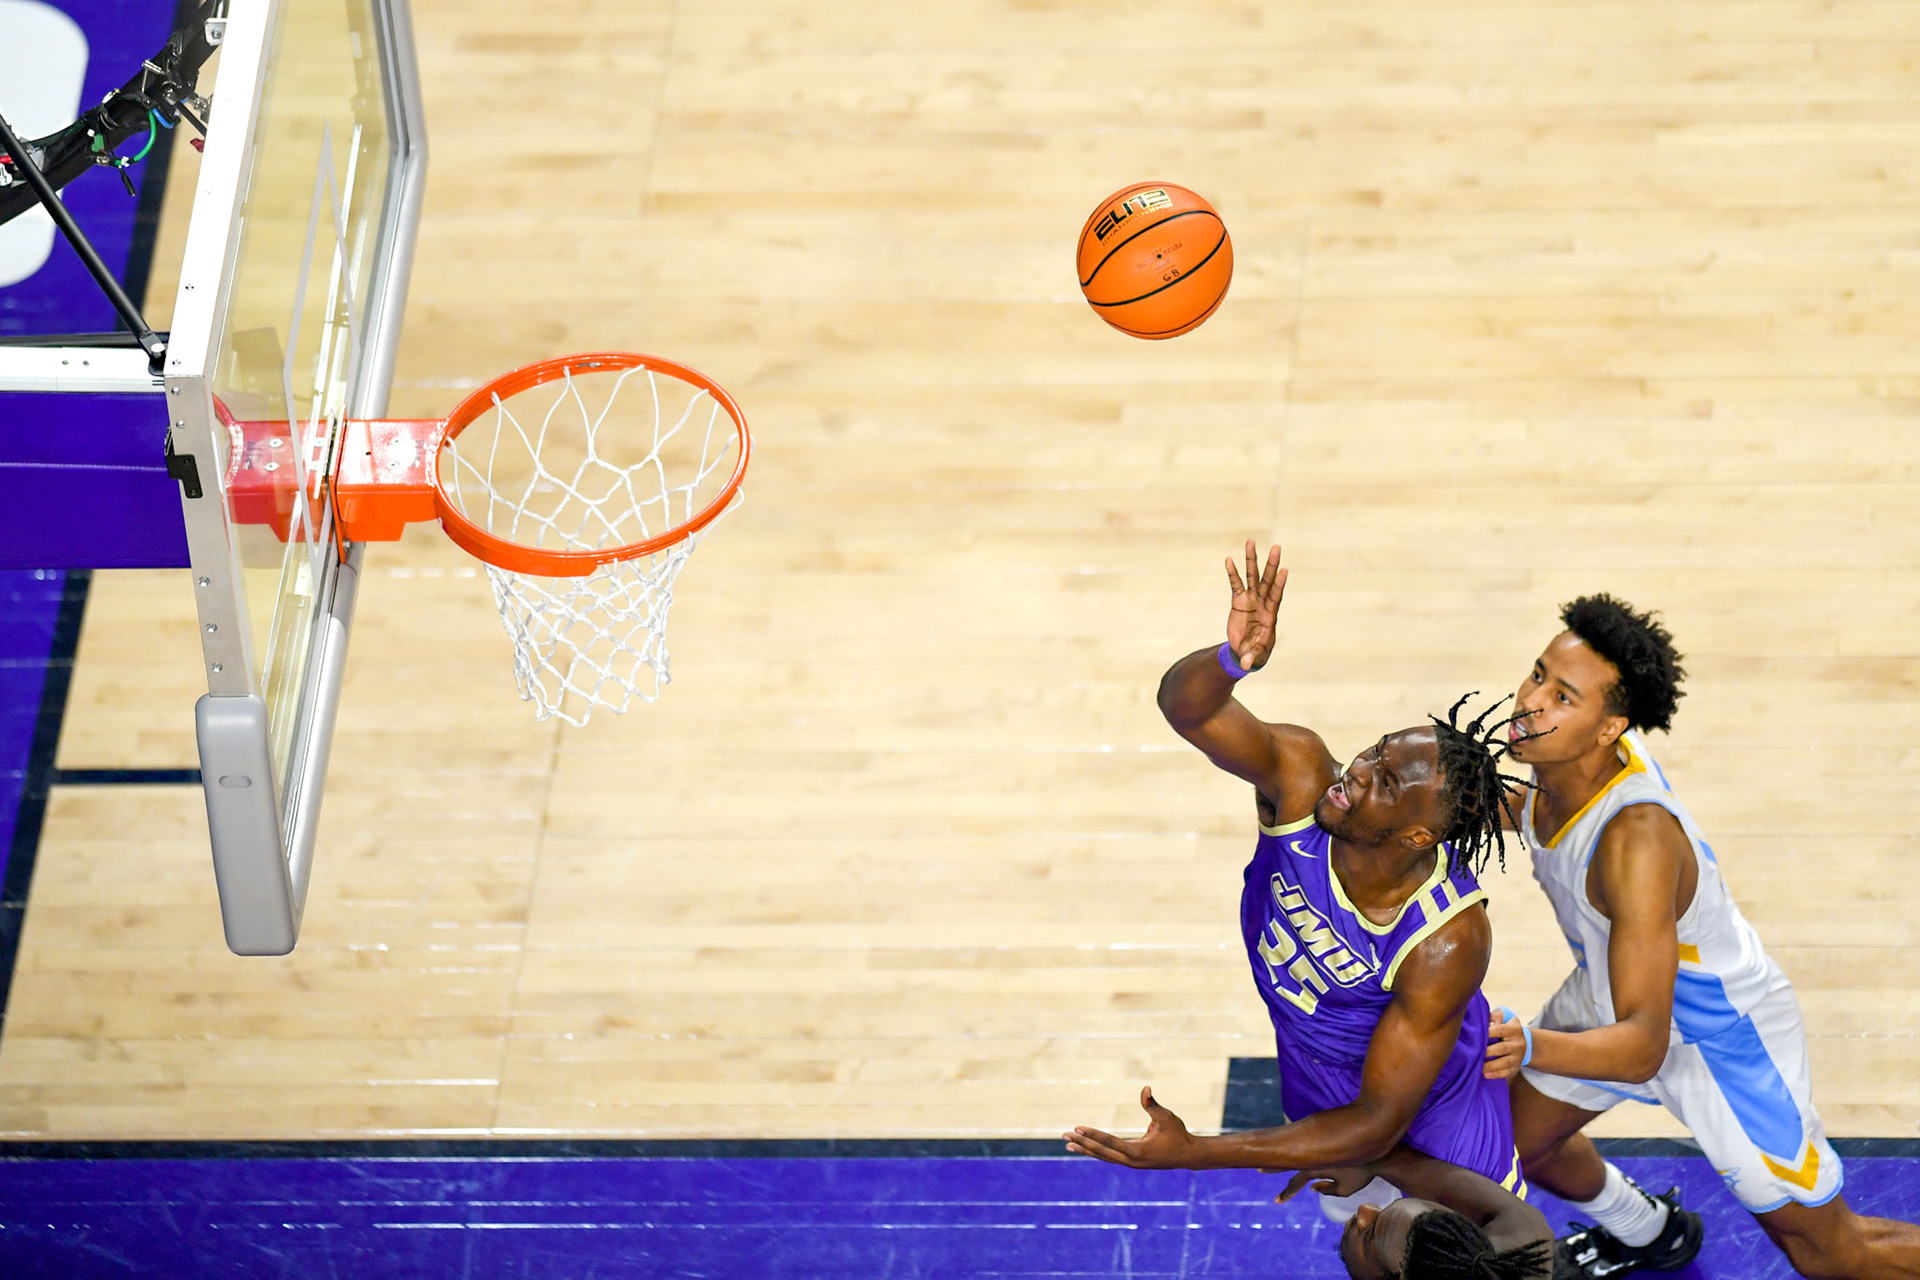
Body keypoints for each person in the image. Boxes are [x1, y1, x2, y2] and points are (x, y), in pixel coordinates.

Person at [1064, 541, 1531, 1195]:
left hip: (1437, 1144)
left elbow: (1377, 1123)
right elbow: (1186, 708)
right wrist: (1231, 662)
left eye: (1388, 782)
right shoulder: (1303, 779)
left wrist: (1195, 1151)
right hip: (1318, 1086)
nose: (1359, 771)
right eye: (1376, 750)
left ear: (1419, 834)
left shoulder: (1445, 939)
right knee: (1358, 1252)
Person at [1487, 594, 1920, 1279]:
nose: (1532, 701)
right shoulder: (1564, 768)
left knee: (1829, 1254)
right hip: (1619, 997)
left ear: (1611, 728)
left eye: (1563, 695)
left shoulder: (1637, 842)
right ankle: (1647, 1230)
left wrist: (1531, 1044)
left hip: (1719, 1041)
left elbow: (1641, 1050)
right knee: (1511, 1143)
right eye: (1538, 673)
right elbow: (1533, 813)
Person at [1278, 1144, 1555, 1280]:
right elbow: (1525, 1222)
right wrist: (1370, 1161)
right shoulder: (1523, 1247)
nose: (1366, 1210)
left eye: (1372, 1231)